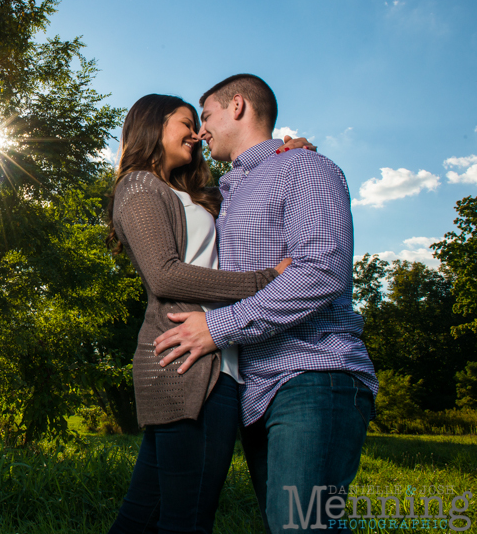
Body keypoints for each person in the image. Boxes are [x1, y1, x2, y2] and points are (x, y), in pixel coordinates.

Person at [153, 74, 377, 534]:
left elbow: (321, 270)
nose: (200, 131)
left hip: (315, 374)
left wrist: (218, 328)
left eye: (207, 116)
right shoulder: (229, 191)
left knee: (303, 527)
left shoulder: (302, 169)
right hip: (257, 392)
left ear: (237, 106)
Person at [106, 93, 303, 534]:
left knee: (144, 512)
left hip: (213, 359)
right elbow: (164, 276)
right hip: (188, 363)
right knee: (188, 518)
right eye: (185, 123)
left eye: (199, 124)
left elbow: (247, 187)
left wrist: (283, 151)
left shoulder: (189, 192)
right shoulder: (139, 186)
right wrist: (265, 279)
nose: (196, 134)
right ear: (152, 126)